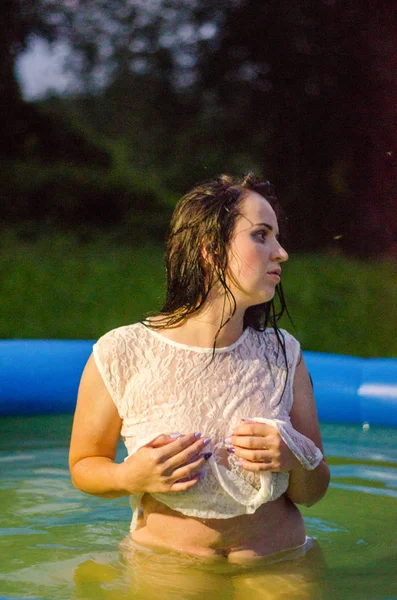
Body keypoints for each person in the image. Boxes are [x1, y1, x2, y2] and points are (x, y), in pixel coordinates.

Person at [69, 173, 330, 598]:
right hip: (167, 564)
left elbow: (315, 490)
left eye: (276, 237)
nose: (281, 252)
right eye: (261, 236)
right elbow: (84, 465)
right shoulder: (120, 352)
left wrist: (295, 460)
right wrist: (127, 475)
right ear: (210, 250)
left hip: (279, 559)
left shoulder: (284, 354)